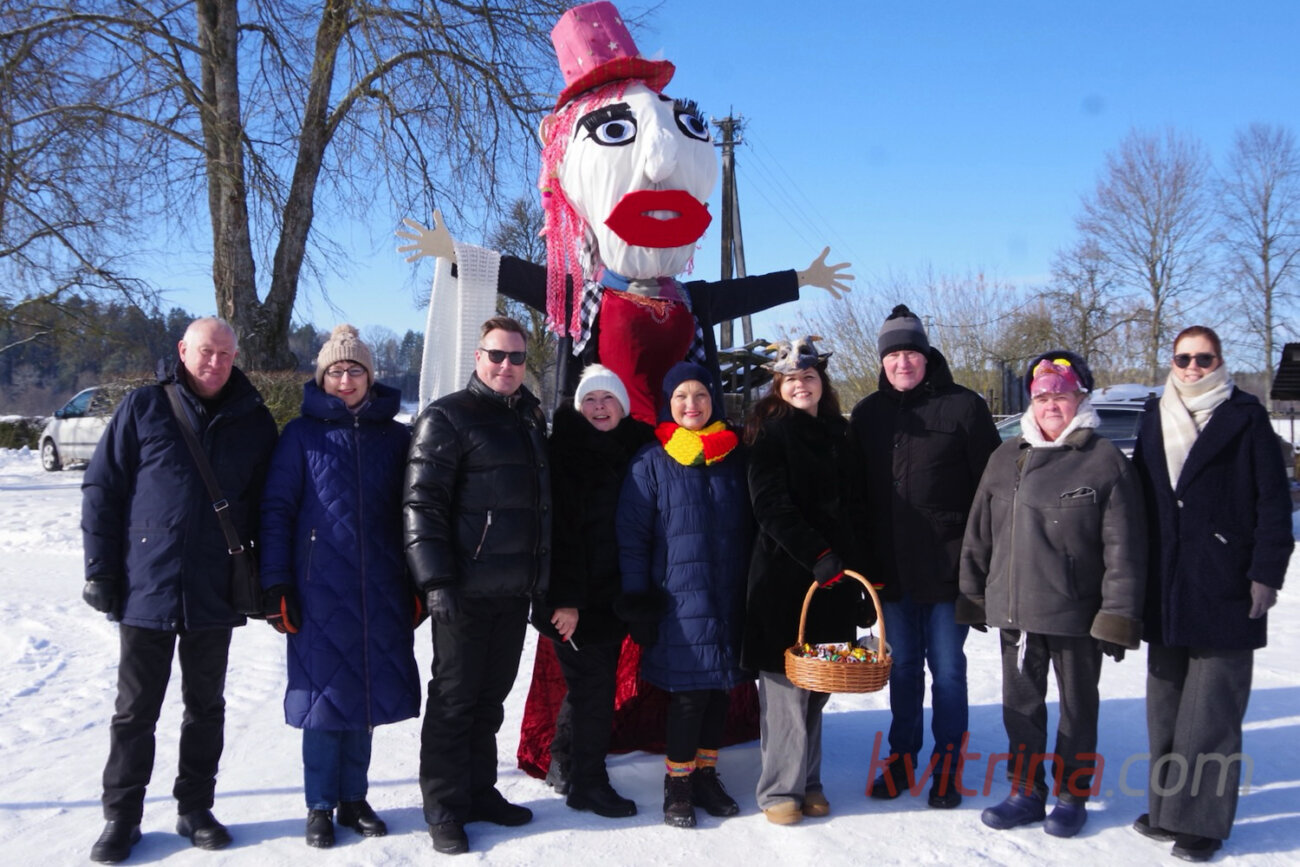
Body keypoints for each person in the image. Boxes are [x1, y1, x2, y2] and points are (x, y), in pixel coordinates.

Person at [396, 0, 851, 416]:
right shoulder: (585, 301)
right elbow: (517, 275)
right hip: (611, 450)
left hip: (681, 443)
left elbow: (747, 292)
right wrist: (455, 253)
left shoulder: (689, 300)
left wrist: (803, 278)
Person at [80, 317, 278, 863]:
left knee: (206, 707)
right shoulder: (144, 407)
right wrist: (100, 570)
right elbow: (102, 488)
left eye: (225, 354)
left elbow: (268, 507)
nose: (216, 362)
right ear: (182, 350)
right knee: (135, 710)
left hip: (215, 585)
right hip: (146, 583)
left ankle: (195, 808)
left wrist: (270, 578)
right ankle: (122, 817)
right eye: (206, 351)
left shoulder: (254, 420)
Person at [958, 350, 1145, 838]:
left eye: (1061, 396)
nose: (1051, 405)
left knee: (1078, 710)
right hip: (1016, 611)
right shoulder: (1006, 457)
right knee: (1020, 710)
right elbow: (979, 531)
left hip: (1077, 614)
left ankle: (1071, 795)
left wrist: (1118, 615)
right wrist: (973, 593)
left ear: (1080, 398)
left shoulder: (1103, 460)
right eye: (1042, 398)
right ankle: (1025, 792)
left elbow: (1125, 548)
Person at [1130, 326, 1292, 862]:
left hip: (1227, 580)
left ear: (1220, 361)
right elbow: (1138, 498)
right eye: (1184, 358)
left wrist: (1266, 574)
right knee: (1166, 708)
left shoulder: (1245, 416)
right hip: (1165, 583)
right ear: (1172, 361)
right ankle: (1167, 810)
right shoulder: (1154, 415)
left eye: (1204, 358)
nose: (1193, 367)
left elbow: (1273, 502)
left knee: (1213, 713)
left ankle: (1202, 823)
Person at [258, 325, 421, 848]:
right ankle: (319, 804)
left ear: (370, 377)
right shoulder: (299, 436)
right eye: (335, 371)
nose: (345, 379)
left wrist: (418, 581)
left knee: (365, 695)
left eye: (354, 370)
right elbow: (277, 511)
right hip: (318, 589)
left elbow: (414, 513)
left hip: (381, 588)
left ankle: (354, 798)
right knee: (324, 702)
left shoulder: (396, 438)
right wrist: (277, 583)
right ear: (322, 377)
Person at [404, 315, 551, 856]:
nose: (506, 366)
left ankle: (479, 791)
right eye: (497, 355)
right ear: (478, 357)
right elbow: (422, 505)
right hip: (462, 591)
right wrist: (436, 580)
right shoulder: (447, 417)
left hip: (512, 589)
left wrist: (540, 580)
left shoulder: (529, 417)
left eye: (516, 357)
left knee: (490, 699)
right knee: (454, 700)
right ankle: (444, 806)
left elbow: (540, 507)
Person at [850, 305, 1000, 808]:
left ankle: (949, 761)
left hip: (948, 568)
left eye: (910, 353)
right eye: (893, 355)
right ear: (882, 361)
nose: (902, 363)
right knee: (904, 668)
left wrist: (982, 567)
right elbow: (856, 496)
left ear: (926, 354)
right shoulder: (868, 414)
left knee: (949, 669)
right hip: (890, 571)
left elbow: (990, 492)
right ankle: (903, 756)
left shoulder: (964, 407)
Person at [616, 361, 753, 829]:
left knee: (720, 691)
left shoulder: (735, 455)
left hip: (729, 595)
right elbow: (632, 538)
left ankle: (706, 776)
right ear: (668, 404)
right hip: (678, 602)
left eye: (700, 395)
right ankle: (678, 783)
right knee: (690, 695)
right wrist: (638, 600)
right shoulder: (651, 461)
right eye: (681, 397)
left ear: (713, 400)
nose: (691, 404)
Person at [743, 337, 871, 825]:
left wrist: (861, 579)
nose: (802, 385)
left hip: (834, 585)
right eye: (792, 379)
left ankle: (809, 782)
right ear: (779, 386)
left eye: (809, 377)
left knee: (819, 689)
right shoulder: (769, 434)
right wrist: (817, 554)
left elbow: (856, 509)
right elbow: (770, 506)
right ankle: (780, 789)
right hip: (784, 582)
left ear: (822, 383)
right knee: (786, 694)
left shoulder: (840, 433)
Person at [522, 365, 655, 818]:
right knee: (593, 693)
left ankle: (569, 762)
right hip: (576, 599)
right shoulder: (566, 452)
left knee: (591, 690)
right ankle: (588, 784)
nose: (599, 408)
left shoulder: (638, 446)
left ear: (623, 406)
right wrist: (565, 600)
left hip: (615, 594)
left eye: (608, 399)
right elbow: (558, 533)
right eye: (590, 400)